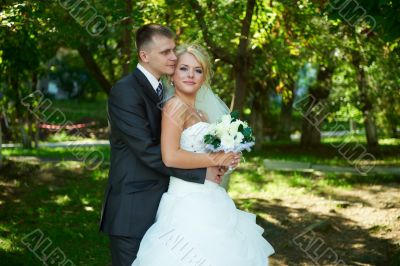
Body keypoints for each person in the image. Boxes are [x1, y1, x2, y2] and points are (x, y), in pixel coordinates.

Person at [99, 24, 240, 266]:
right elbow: (149, 151)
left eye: (174, 50)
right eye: (166, 52)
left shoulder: (164, 92)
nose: (173, 58)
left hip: (170, 204)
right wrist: (204, 170)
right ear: (145, 55)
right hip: (133, 208)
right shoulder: (125, 92)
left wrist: (221, 159)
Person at [131, 43, 274, 266]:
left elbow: (201, 156)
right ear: (172, 74)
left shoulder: (202, 113)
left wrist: (224, 161)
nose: (191, 75)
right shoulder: (174, 106)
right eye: (184, 68)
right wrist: (215, 159)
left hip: (213, 198)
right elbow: (170, 156)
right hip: (187, 202)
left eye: (198, 70)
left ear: (204, 76)